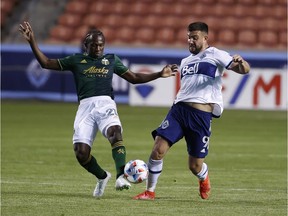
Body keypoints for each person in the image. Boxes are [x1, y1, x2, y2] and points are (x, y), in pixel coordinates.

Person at [19, 21, 178, 198]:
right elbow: (46, 63)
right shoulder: (76, 60)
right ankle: (102, 177)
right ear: (86, 45)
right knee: (81, 153)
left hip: (105, 104)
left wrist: (159, 74)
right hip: (85, 107)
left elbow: (133, 78)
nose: (98, 48)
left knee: (115, 132)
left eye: (101, 45)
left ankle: (120, 176)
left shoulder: (111, 60)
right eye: (94, 45)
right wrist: (32, 41)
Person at [133, 22, 250, 200]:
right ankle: (150, 192)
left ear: (205, 38)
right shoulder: (185, 61)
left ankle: (203, 177)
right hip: (178, 111)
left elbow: (244, 70)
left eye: (194, 37)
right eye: (189, 37)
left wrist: (242, 62)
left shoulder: (216, 54)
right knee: (158, 149)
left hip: (200, 116)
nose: (190, 41)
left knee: (194, 166)